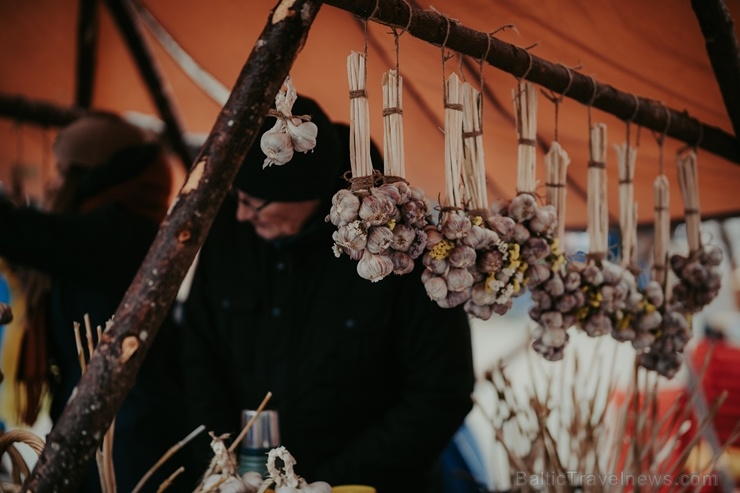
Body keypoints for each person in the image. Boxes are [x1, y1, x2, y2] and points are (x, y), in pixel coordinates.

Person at [180, 95, 475, 492]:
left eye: (254, 203)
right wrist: (223, 462)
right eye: (237, 197)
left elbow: (441, 390)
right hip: (249, 481)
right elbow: (197, 353)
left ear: (306, 192)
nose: (241, 214)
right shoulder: (233, 234)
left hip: (368, 485)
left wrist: (333, 484)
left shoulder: (399, 248)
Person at [0, 112, 191, 492]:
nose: (54, 183)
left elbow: (26, 234)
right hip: (97, 425)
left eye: (66, 171)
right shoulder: (104, 233)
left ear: (94, 176)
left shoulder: (119, 233)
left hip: (130, 438)